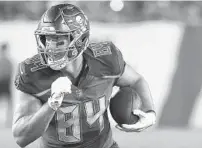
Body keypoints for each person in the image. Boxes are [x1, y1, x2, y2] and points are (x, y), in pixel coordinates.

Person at [12, 3, 156, 148]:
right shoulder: (34, 73)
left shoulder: (105, 60)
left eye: (58, 41)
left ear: (79, 40)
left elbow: (136, 80)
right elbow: (21, 136)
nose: (50, 48)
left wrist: (150, 112)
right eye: (47, 40)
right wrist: (52, 104)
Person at [0, 42, 13, 127]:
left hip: (3, 82)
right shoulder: (3, 61)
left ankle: (7, 120)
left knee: (5, 102)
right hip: (2, 82)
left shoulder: (1, 60)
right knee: (0, 102)